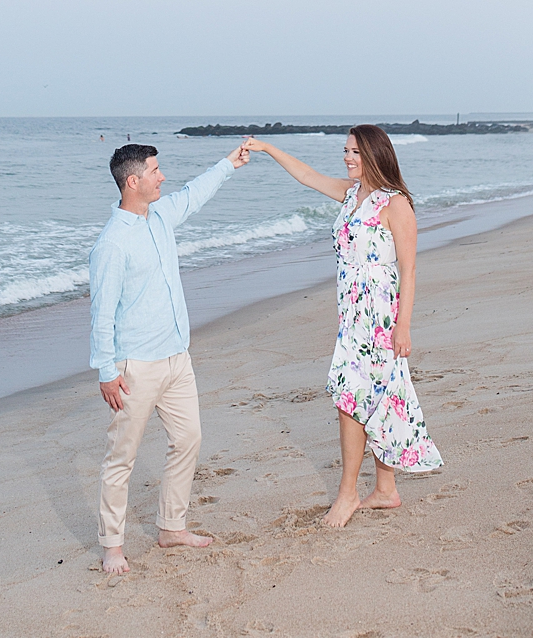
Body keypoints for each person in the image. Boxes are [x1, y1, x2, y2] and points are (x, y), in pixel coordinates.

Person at [248, 125, 443, 527]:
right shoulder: (351, 194)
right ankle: (385, 489)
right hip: (352, 316)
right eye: (345, 150)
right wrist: (267, 147)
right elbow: (305, 175)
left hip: (379, 319)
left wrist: (403, 325)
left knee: (350, 398)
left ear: (374, 154)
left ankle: (348, 493)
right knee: (378, 399)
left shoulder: (395, 204)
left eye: (354, 151)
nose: (347, 157)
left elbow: (409, 271)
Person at [88, 138, 253, 574]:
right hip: (134, 368)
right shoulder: (111, 245)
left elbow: (196, 193)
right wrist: (107, 372)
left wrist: (229, 163)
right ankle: (112, 546)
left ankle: (171, 527)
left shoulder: (160, 216)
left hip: (177, 358)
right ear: (133, 180)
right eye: (156, 171)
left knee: (189, 439)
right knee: (121, 457)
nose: (163, 177)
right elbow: (101, 315)